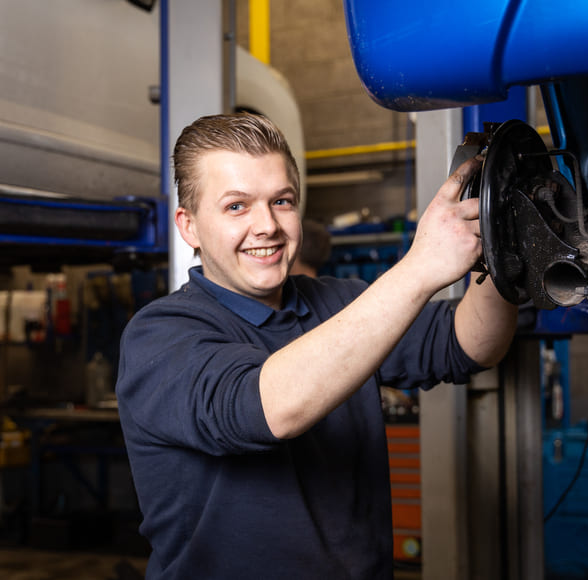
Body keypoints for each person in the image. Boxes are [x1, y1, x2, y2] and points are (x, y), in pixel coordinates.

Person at [116, 112, 519, 579]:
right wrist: (421, 267)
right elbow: (269, 408)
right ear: (188, 227)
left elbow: (468, 343)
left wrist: (498, 241)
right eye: (236, 207)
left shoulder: (336, 302)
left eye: (282, 201)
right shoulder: (160, 334)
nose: (267, 225)